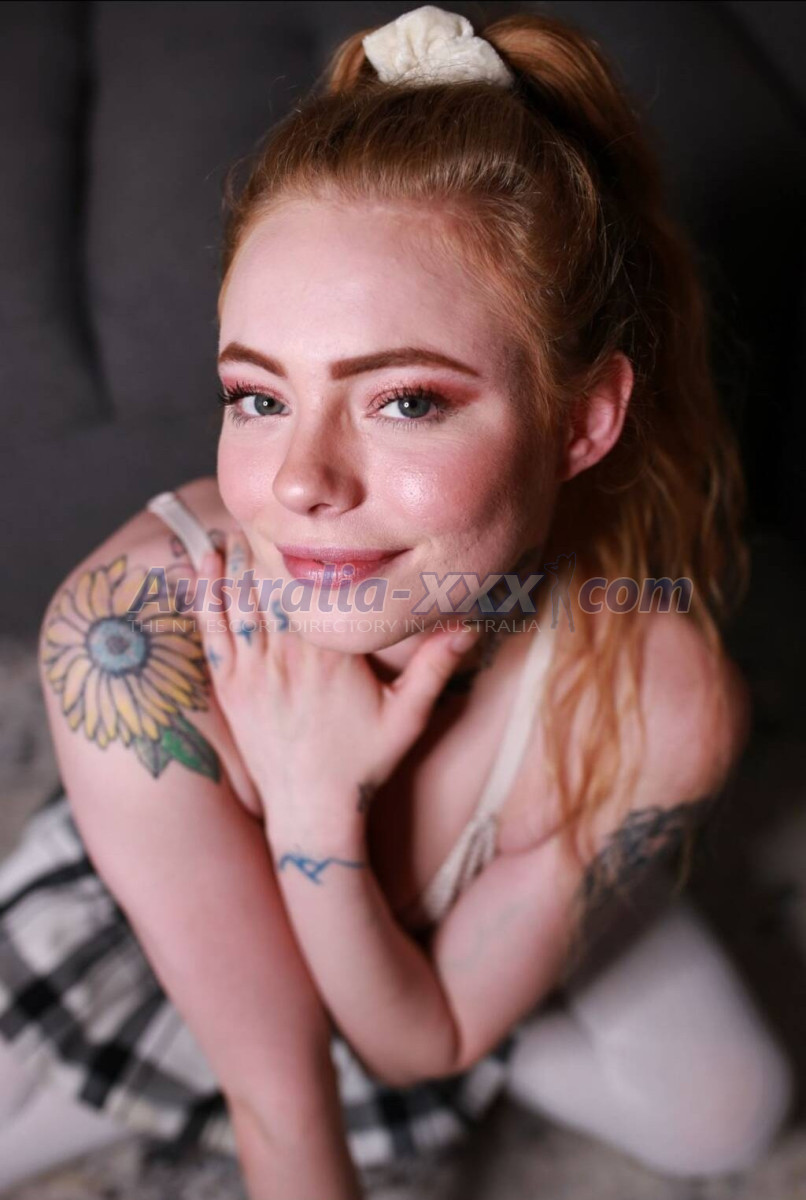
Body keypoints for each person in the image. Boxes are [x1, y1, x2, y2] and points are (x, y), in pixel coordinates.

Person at [0, 5, 795, 1196]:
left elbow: (413, 1042)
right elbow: (285, 1113)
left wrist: (316, 815)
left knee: (728, 1115)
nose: (301, 485)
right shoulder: (131, 641)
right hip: (165, 934)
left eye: (405, 401)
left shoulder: (657, 692)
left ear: (581, 420)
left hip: (408, 949)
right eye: (259, 397)